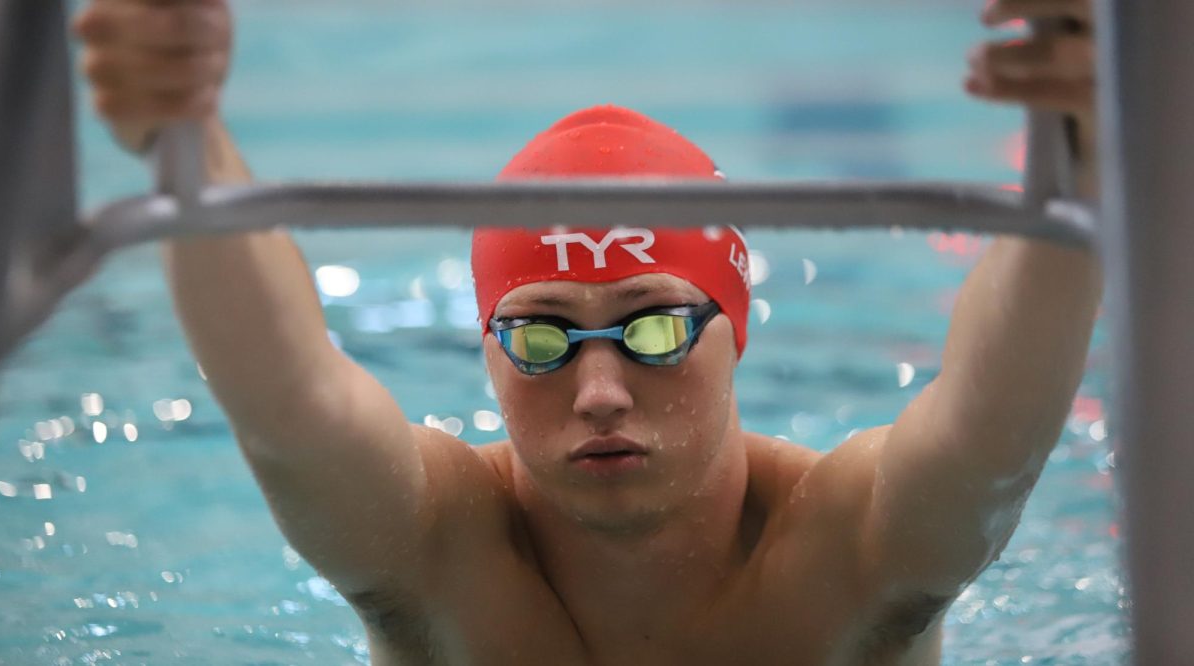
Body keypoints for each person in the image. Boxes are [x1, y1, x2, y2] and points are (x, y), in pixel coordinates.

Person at [74, 0, 1102, 663]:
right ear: (483, 349)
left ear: (733, 329)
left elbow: (990, 428)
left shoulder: (848, 554)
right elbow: (291, 402)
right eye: (539, 336)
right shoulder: (437, 555)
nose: (600, 389)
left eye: (654, 329)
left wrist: (1087, 154)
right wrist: (187, 139)